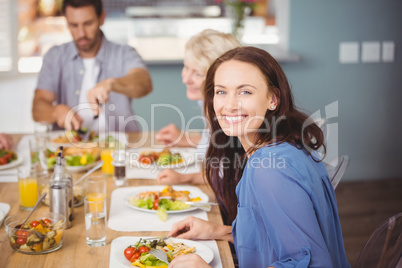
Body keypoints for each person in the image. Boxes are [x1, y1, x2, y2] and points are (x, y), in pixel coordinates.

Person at [168, 47, 350, 268]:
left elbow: (312, 264)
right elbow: (270, 237)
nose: (230, 105)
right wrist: (218, 231)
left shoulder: (270, 170)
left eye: (245, 92)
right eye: (221, 91)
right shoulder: (283, 147)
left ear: (272, 99)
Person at [32, 0, 152, 132]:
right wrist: (55, 112)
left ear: (102, 18)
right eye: (74, 25)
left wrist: (111, 84)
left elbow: (144, 84)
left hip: (120, 146)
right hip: (69, 146)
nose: (81, 33)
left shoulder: (124, 53)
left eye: (88, 23)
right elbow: (38, 109)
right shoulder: (54, 56)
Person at [155, 29, 240, 185]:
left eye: (198, 74)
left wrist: (185, 178)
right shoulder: (207, 101)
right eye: (186, 67)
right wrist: (184, 138)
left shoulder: (228, 114)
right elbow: (214, 142)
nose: (186, 79)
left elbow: (226, 175)